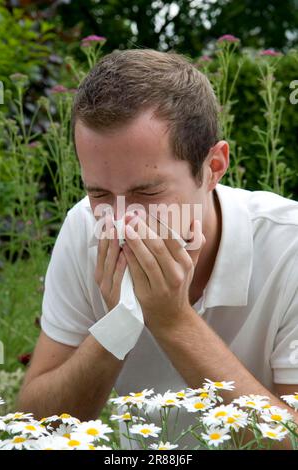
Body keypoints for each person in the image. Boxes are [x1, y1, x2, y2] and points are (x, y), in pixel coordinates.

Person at [18, 49, 298, 450]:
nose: (119, 222)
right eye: (98, 193)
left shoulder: (289, 245)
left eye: (146, 193)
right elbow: (33, 425)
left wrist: (173, 320)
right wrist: (118, 325)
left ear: (214, 167)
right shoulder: (84, 227)